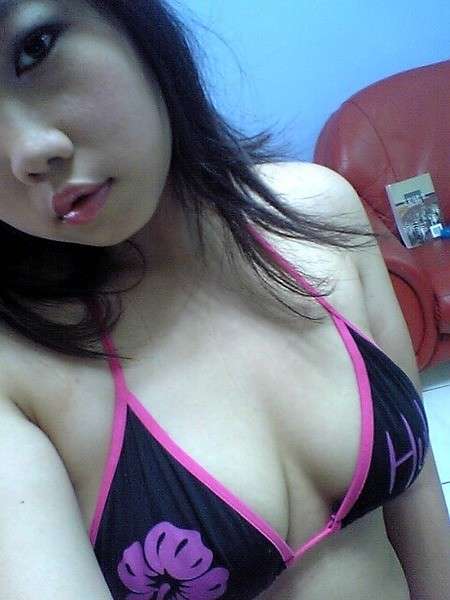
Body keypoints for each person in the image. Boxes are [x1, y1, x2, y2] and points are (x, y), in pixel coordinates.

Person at [0, 1, 448, 599]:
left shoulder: (321, 212)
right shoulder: (16, 374)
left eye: (34, 50)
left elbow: (418, 496)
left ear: (128, 21)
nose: (29, 151)